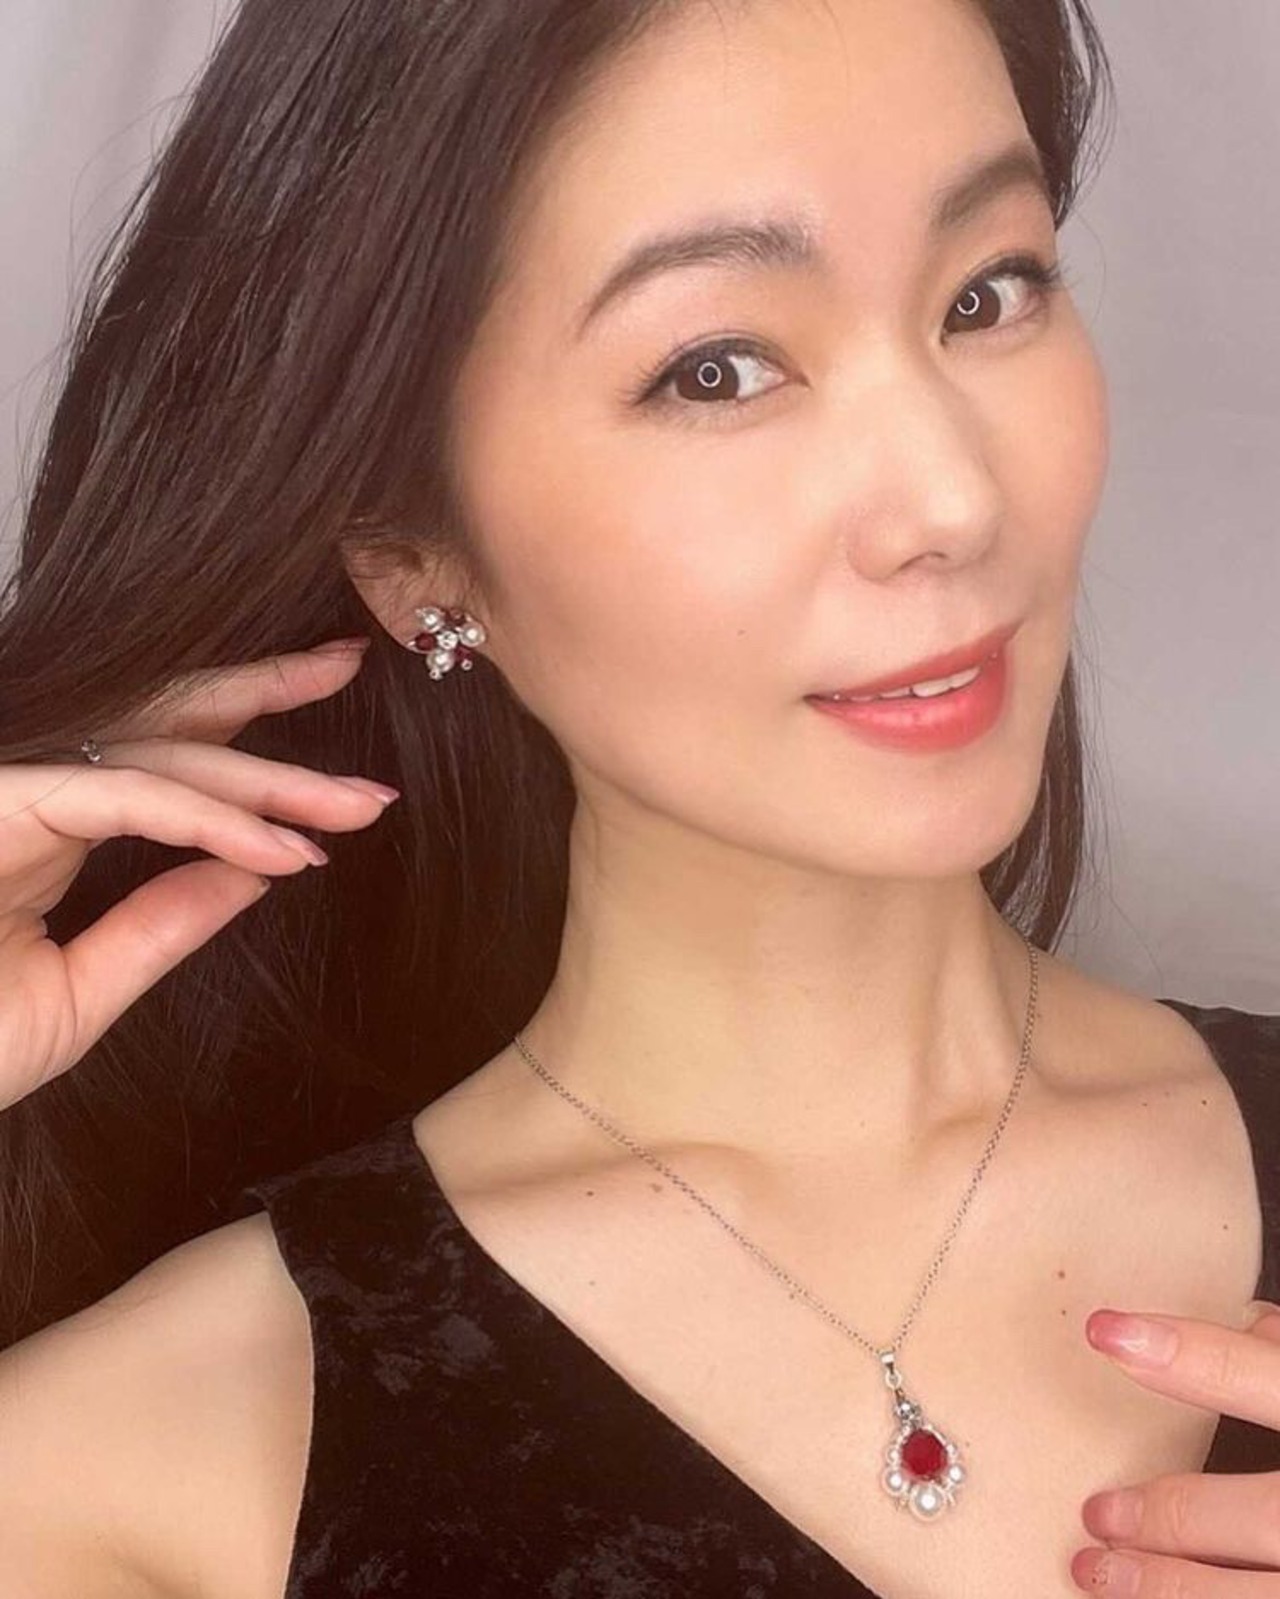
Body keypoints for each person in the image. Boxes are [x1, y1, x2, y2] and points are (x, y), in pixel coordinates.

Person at [0, 0, 1276, 1594]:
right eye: (717, 369)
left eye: (987, 292)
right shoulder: (137, 1467)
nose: (954, 499)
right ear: (415, 556)